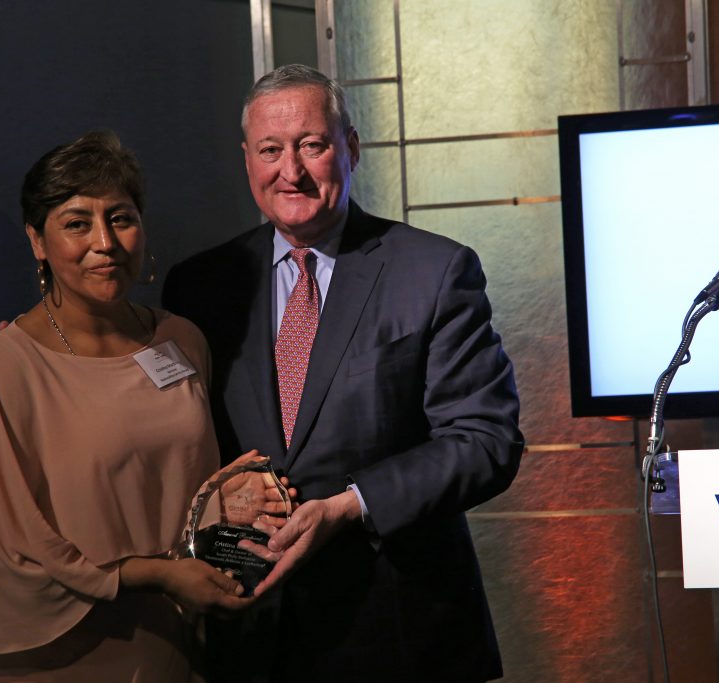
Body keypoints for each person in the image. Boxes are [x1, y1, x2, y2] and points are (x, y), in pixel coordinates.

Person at [162, 64, 525, 682]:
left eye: (312, 145)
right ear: (247, 159)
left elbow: (486, 441)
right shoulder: (201, 287)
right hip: (251, 636)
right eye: (271, 150)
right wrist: (34, 344)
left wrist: (348, 505)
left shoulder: (433, 271)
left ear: (351, 147)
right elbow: (149, 410)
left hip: (399, 631)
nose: (291, 171)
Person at [0, 131, 262, 682]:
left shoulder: (183, 340)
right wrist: (149, 574)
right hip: (58, 647)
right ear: (37, 241)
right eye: (76, 222)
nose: (104, 242)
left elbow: (199, 483)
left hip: (174, 635)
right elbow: (9, 538)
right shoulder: (4, 365)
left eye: (120, 217)